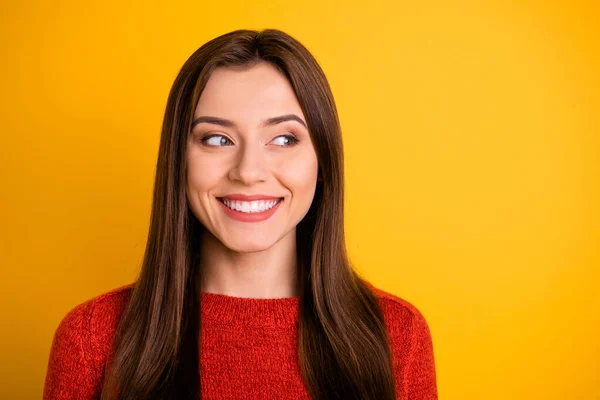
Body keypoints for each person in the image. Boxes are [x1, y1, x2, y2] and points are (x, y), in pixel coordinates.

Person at [43, 29, 438, 400]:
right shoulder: (92, 339)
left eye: (284, 138)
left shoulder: (397, 335)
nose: (248, 171)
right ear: (178, 162)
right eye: (217, 139)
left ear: (323, 162)